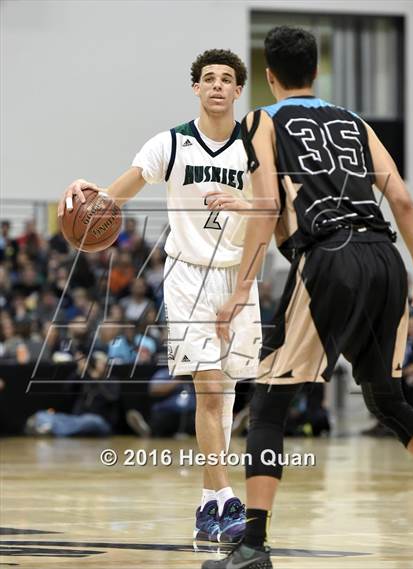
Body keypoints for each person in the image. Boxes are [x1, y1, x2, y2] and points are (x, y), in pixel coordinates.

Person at [203, 26, 413, 568]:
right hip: (385, 258)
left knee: (271, 405)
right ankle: (251, 543)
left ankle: (252, 545)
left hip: (328, 259)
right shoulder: (356, 121)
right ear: (317, 72)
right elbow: (403, 201)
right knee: (389, 401)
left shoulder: (261, 119)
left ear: (269, 77)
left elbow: (268, 205)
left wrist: (241, 291)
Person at [58, 49, 262, 544]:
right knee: (210, 388)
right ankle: (227, 499)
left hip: (240, 277)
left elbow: (274, 212)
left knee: (227, 395)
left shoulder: (256, 148)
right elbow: (114, 198)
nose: (217, 85)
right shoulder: (170, 144)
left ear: (239, 91)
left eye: (227, 79)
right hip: (189, 275)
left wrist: (249, 203)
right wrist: (89, 190)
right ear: (196, 88)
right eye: (208, 78)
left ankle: (208, 504)